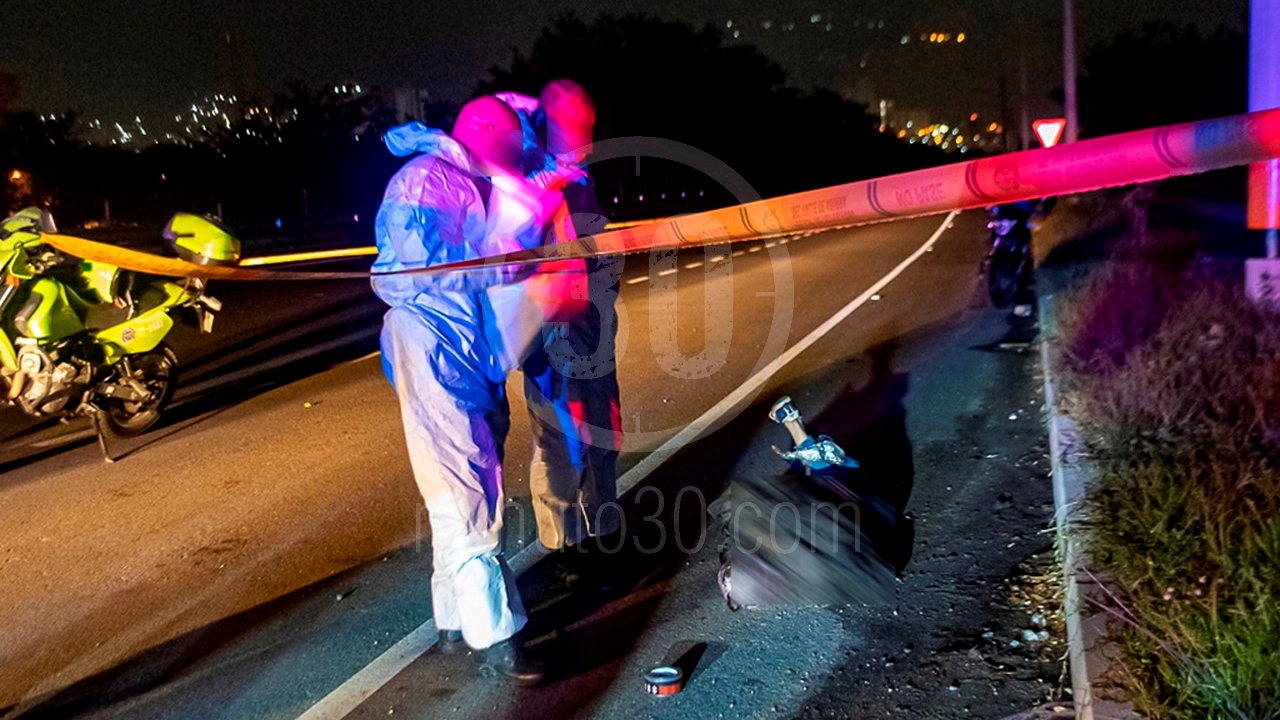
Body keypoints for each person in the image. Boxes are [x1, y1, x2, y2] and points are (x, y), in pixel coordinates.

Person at [372, 95, 578, 684]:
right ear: (487, 134)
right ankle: (496, 640)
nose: (513, 159)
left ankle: (452, 620)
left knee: (456, 487)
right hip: (437, 349)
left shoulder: (461, 178)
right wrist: (510, 255)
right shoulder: (422, 181)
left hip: (463, 354)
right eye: (510, 143)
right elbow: (426, 271)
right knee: (466, 489)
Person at [498, 81, 624, 588]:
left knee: (603, 435)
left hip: (591, 324)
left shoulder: (578, 175)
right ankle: (565, 550)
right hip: (549, 330)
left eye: (590, 129)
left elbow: (592, 238)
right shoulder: (528, 176)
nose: (588, 140)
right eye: (578, 128)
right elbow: (510, 251)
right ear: (550, 124)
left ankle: (605, 536)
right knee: (558, 444)